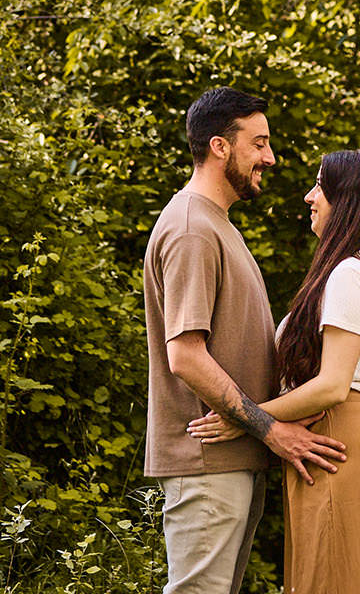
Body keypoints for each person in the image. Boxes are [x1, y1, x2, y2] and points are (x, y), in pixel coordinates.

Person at [143, 86, 349, 594]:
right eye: (258, 144)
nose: (269, 158)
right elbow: (185, 356)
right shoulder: (193, 227)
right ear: (219, 146)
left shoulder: (218, 225)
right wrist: (269, 428)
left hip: (230, 460)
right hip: (207, 460)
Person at [188, 149, 360, 594]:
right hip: (350, 440)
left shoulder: (351, 272)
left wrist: (246, 418)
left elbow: (332, 384)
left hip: (333, 440)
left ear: (347, 200)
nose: (310, 197)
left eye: (321, 187)